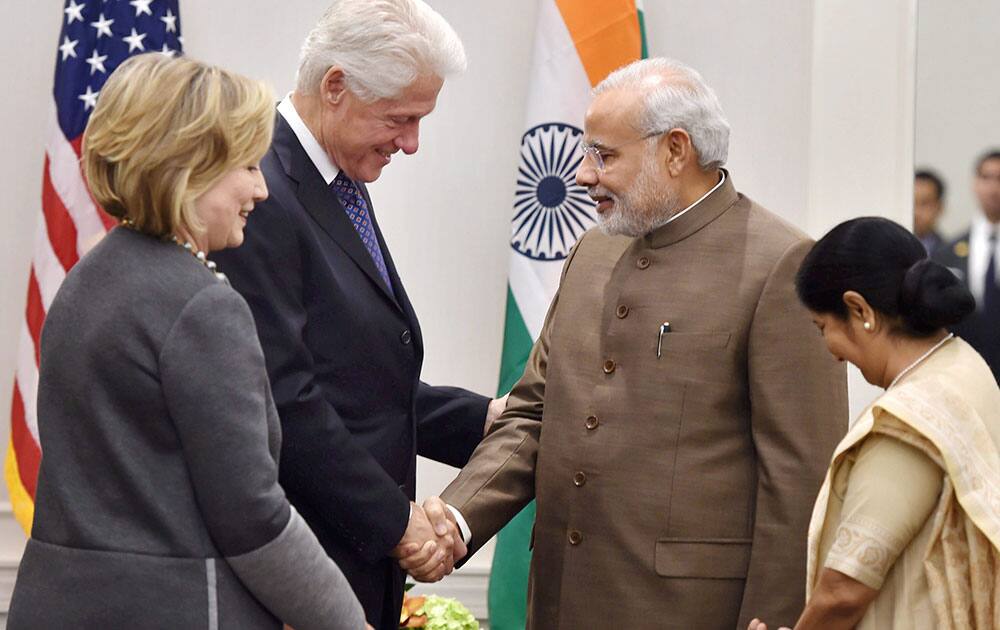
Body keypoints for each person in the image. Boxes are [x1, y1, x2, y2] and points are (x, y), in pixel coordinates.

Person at [411, 57, 848, 629]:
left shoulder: (780, 265)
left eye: (604, 155)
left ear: (674, 150)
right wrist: (457, 521)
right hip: (560, 603)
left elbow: (802, 480)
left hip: (689, 613)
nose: (584, 176)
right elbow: (533, 414)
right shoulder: (591, 253)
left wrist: (775, 619)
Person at [7, 54, 368, 629]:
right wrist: (346, 622)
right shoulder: (201, 306)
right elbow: (252, 516)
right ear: (189, 168)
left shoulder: (85, 279)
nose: (261, 189)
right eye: (248, 166)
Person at [210, 2, 502, 627]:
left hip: (349, 564)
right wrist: (396, 524)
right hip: (301, 573)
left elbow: (358, 381)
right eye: (400, 119)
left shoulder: (336, 179)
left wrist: (485, 420)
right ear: (336, 86)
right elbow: (283, 396)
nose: (412, 143)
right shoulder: (260, 190)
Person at [749, 217, 1000, 630]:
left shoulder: (908, 423)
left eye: (822, 328)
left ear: (860, 309)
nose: (831, 352)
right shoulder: (964, 365)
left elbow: (845, 591)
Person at [933, 149, 1000, 381]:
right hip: (967, 371)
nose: (994, 188)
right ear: (975, 183)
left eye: (999, 178)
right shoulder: (948, 253)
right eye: (986, 177)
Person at [913, 169, 946, 255]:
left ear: (939, 208)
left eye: (924, 203)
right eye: (912, 203)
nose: (916, 212)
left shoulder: (950, 252)